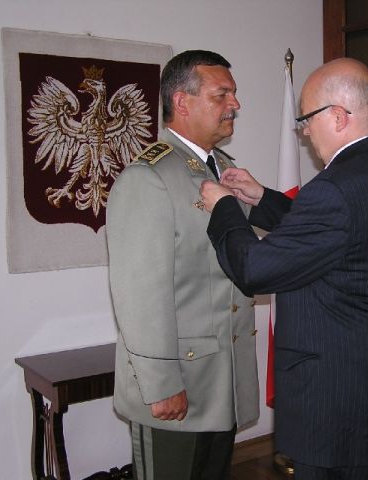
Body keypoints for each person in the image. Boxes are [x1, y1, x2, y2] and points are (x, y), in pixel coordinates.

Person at [199, 58, 368, 480]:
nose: (305, 131)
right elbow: (341, 235)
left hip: (343, 409)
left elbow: (254, 268)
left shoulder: (335, 188)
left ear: (339, 117)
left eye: (307, 119)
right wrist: (262, 198)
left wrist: (224, 209)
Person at [106, 50, 259, 480]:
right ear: (182, 101)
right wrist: (161, 384)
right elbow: (139, 296)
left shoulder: (225, 170)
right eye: (221, 94)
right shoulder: (149, 178)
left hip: (221, 379)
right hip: (178, 383)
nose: (235, 104)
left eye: (234, 93)